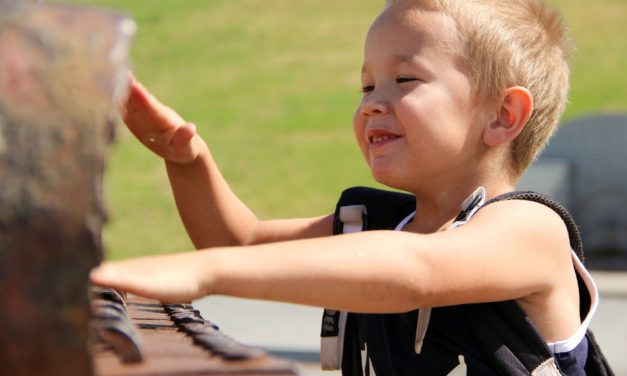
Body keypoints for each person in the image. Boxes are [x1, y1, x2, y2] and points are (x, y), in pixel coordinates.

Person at [90, 0, 602, 374]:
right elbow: (238, 244)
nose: (373, 103)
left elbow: (415, 271)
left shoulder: (530, 229)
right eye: (366, 86)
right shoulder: (375, 225)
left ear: (502, 116)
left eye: (404, 81)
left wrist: (202, 273)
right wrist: (186, 160)